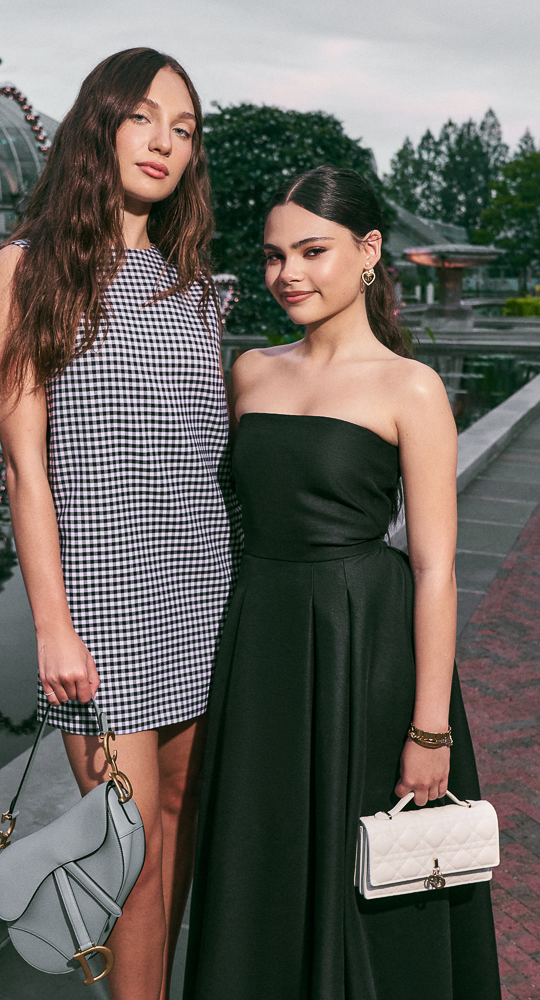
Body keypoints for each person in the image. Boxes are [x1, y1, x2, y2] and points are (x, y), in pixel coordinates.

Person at [184, 165, 501, 999]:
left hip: (366, 648)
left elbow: (435, 567)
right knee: (264, 851)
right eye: (273, 255)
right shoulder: (250, 369)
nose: (288, 273)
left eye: (312, 251)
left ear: (367, 251)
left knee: (368, 876)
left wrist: (431, 731)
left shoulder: (412, 386)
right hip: (259, 642)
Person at [0, 48, 237, 1000]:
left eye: (186, 129)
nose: (167, 142)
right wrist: (51, 624)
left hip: (207, 594)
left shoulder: (199, 294)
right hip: (103, 612)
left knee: (182, 825)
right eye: (145, 118)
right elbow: (24, 467)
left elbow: (213, 465)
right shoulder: (28, 270)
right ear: (101, 124)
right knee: (129, 855)